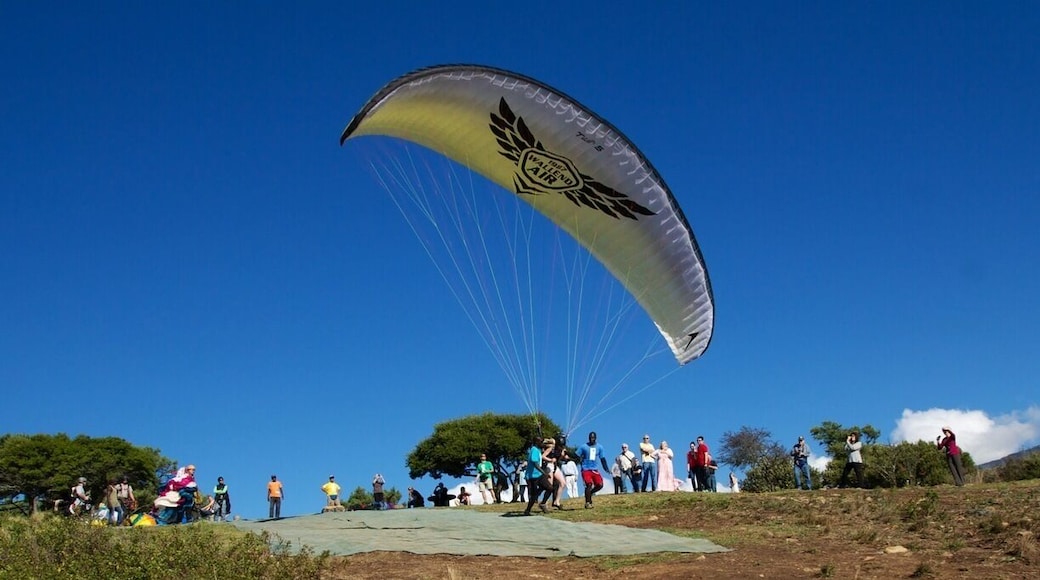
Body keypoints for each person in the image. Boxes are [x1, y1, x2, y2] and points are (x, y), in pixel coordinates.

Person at [576, 431, 611, 508]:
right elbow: (576, 455)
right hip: (585, 469)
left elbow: (602, 459)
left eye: (593, 438)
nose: (592, 439)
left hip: (594, 469)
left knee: (600, 485)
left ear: (595, 438)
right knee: (589, 484)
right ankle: (588, 502)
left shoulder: (599, 447)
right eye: (590, 438)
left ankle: (590, 493)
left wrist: (606, 468)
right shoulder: (583, 447)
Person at [523, 436, 555, 515]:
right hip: (532, 476)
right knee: (534, 496)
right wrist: (544, 473)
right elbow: (535, 464)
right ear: (537, 442)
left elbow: (550, 444)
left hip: (539, 475)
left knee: (550, 488)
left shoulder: (538, 450)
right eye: (540, 442)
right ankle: (527, 510)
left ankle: (543, 503)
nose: (542, 443)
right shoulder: (534, 450)